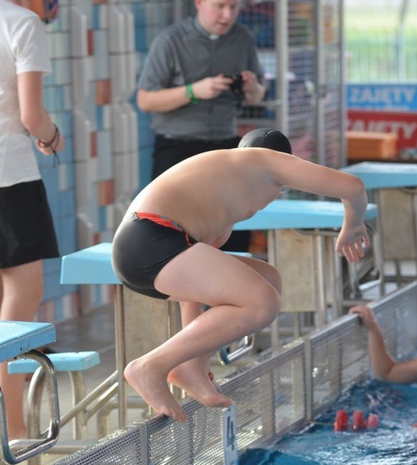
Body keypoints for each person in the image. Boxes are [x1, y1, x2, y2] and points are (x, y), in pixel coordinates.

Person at [111, 130, 369, 422]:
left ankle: (189, 367)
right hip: (147, 240)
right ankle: (149, 366)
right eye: (280, 186)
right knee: (262, 301)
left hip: (147, 249)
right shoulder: (265, 162)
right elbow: (352, 187)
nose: (274, 195)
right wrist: (353, 225)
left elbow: (194, 289)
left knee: (268, 279)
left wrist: (192, 361)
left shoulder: (219, 194)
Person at [0, 0, 65, 440]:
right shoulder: (22, 23)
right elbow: (31, 116)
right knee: (20, 300)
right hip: (5, 174)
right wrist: (51, 138)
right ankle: (11, 431)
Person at [136, 0, 266, 252]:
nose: (227, 15)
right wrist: (193, 92)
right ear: (199, 3)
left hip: (225, 148)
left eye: (234, 7)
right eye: (220, 6)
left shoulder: (242, 39)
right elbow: (145, 100)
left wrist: (252, 88)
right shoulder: (170, 40)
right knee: (173, 235)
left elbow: (256, 97)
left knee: (234, 231)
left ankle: (233, 288)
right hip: (177, 149)